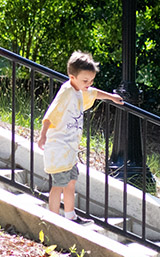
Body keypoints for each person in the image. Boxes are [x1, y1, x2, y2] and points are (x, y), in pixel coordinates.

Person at [37, 51, 123, 223]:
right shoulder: (67, 91)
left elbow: (93, 93)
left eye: (91, 80)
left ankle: (70, 215)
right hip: (59, 146)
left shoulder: (78, 90)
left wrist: (111, 97)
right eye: (85, 80)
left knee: (71, 182)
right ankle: (52, 219)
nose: (88, 84)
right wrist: (42, 135)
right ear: (72, 77)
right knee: (58, 184)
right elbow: (50, 114)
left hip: (69, 148)